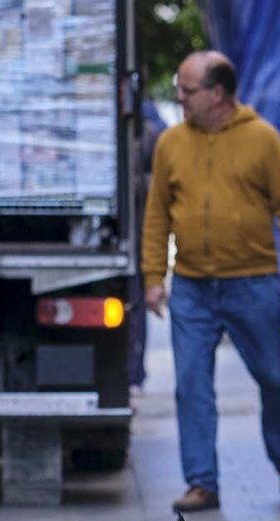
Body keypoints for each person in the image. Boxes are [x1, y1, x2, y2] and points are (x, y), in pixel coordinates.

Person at [142, 51, 280, 514]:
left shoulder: (262, 139)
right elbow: (156, 214)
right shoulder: (170, 143)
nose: (178, 96)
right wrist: (153, 275)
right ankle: (202, 482)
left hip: (252, 283)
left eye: (186, 89)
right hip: (193, 287)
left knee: (274, 378)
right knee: (191, 385)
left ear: (217, 93)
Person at [126, 95, 168, 395]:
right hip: (131, 234)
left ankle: (135, 374)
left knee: (137, 306)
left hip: (138, 233)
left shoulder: (150, 132)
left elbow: (163, 182)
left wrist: (129, 182)